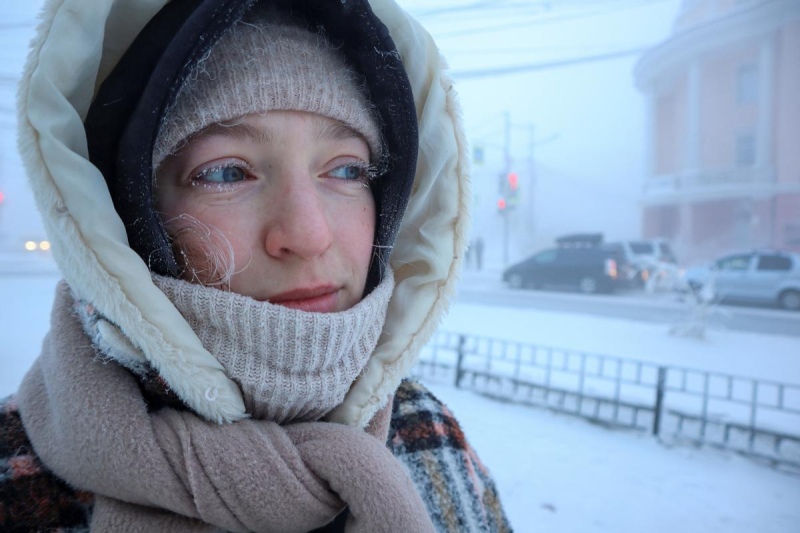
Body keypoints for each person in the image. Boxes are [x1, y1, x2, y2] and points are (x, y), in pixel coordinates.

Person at [1, 0, 512, 531]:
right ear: (126, 217)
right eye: (225, 174)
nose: (308, 236)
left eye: (346, 169)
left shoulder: (432, 438)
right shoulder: (14, 480)